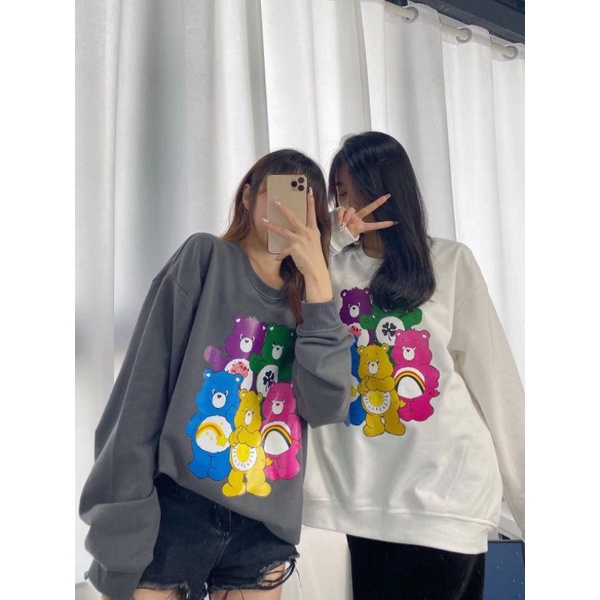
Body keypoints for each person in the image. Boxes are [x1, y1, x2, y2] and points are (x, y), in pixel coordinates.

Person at [79, 149, 353, 600]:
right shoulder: (204, 258)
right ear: (247, 197)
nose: (289, 215)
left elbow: (325, 407)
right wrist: (121, 527)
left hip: (262, 525)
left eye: (305, 207)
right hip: (174, 512)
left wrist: (319, 283)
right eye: (279, 196)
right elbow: (139, 397)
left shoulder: (312, 302)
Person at [302, 131, 525, 600]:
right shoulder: (328, 270)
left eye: (361, 190)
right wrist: (331, 238)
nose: (351, 205)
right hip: (360, 498)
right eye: (341, 193)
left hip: (446, 492)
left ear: (392, 189)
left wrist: (530, 508)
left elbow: (496, 382)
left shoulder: (450, 262)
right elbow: (275, 294)